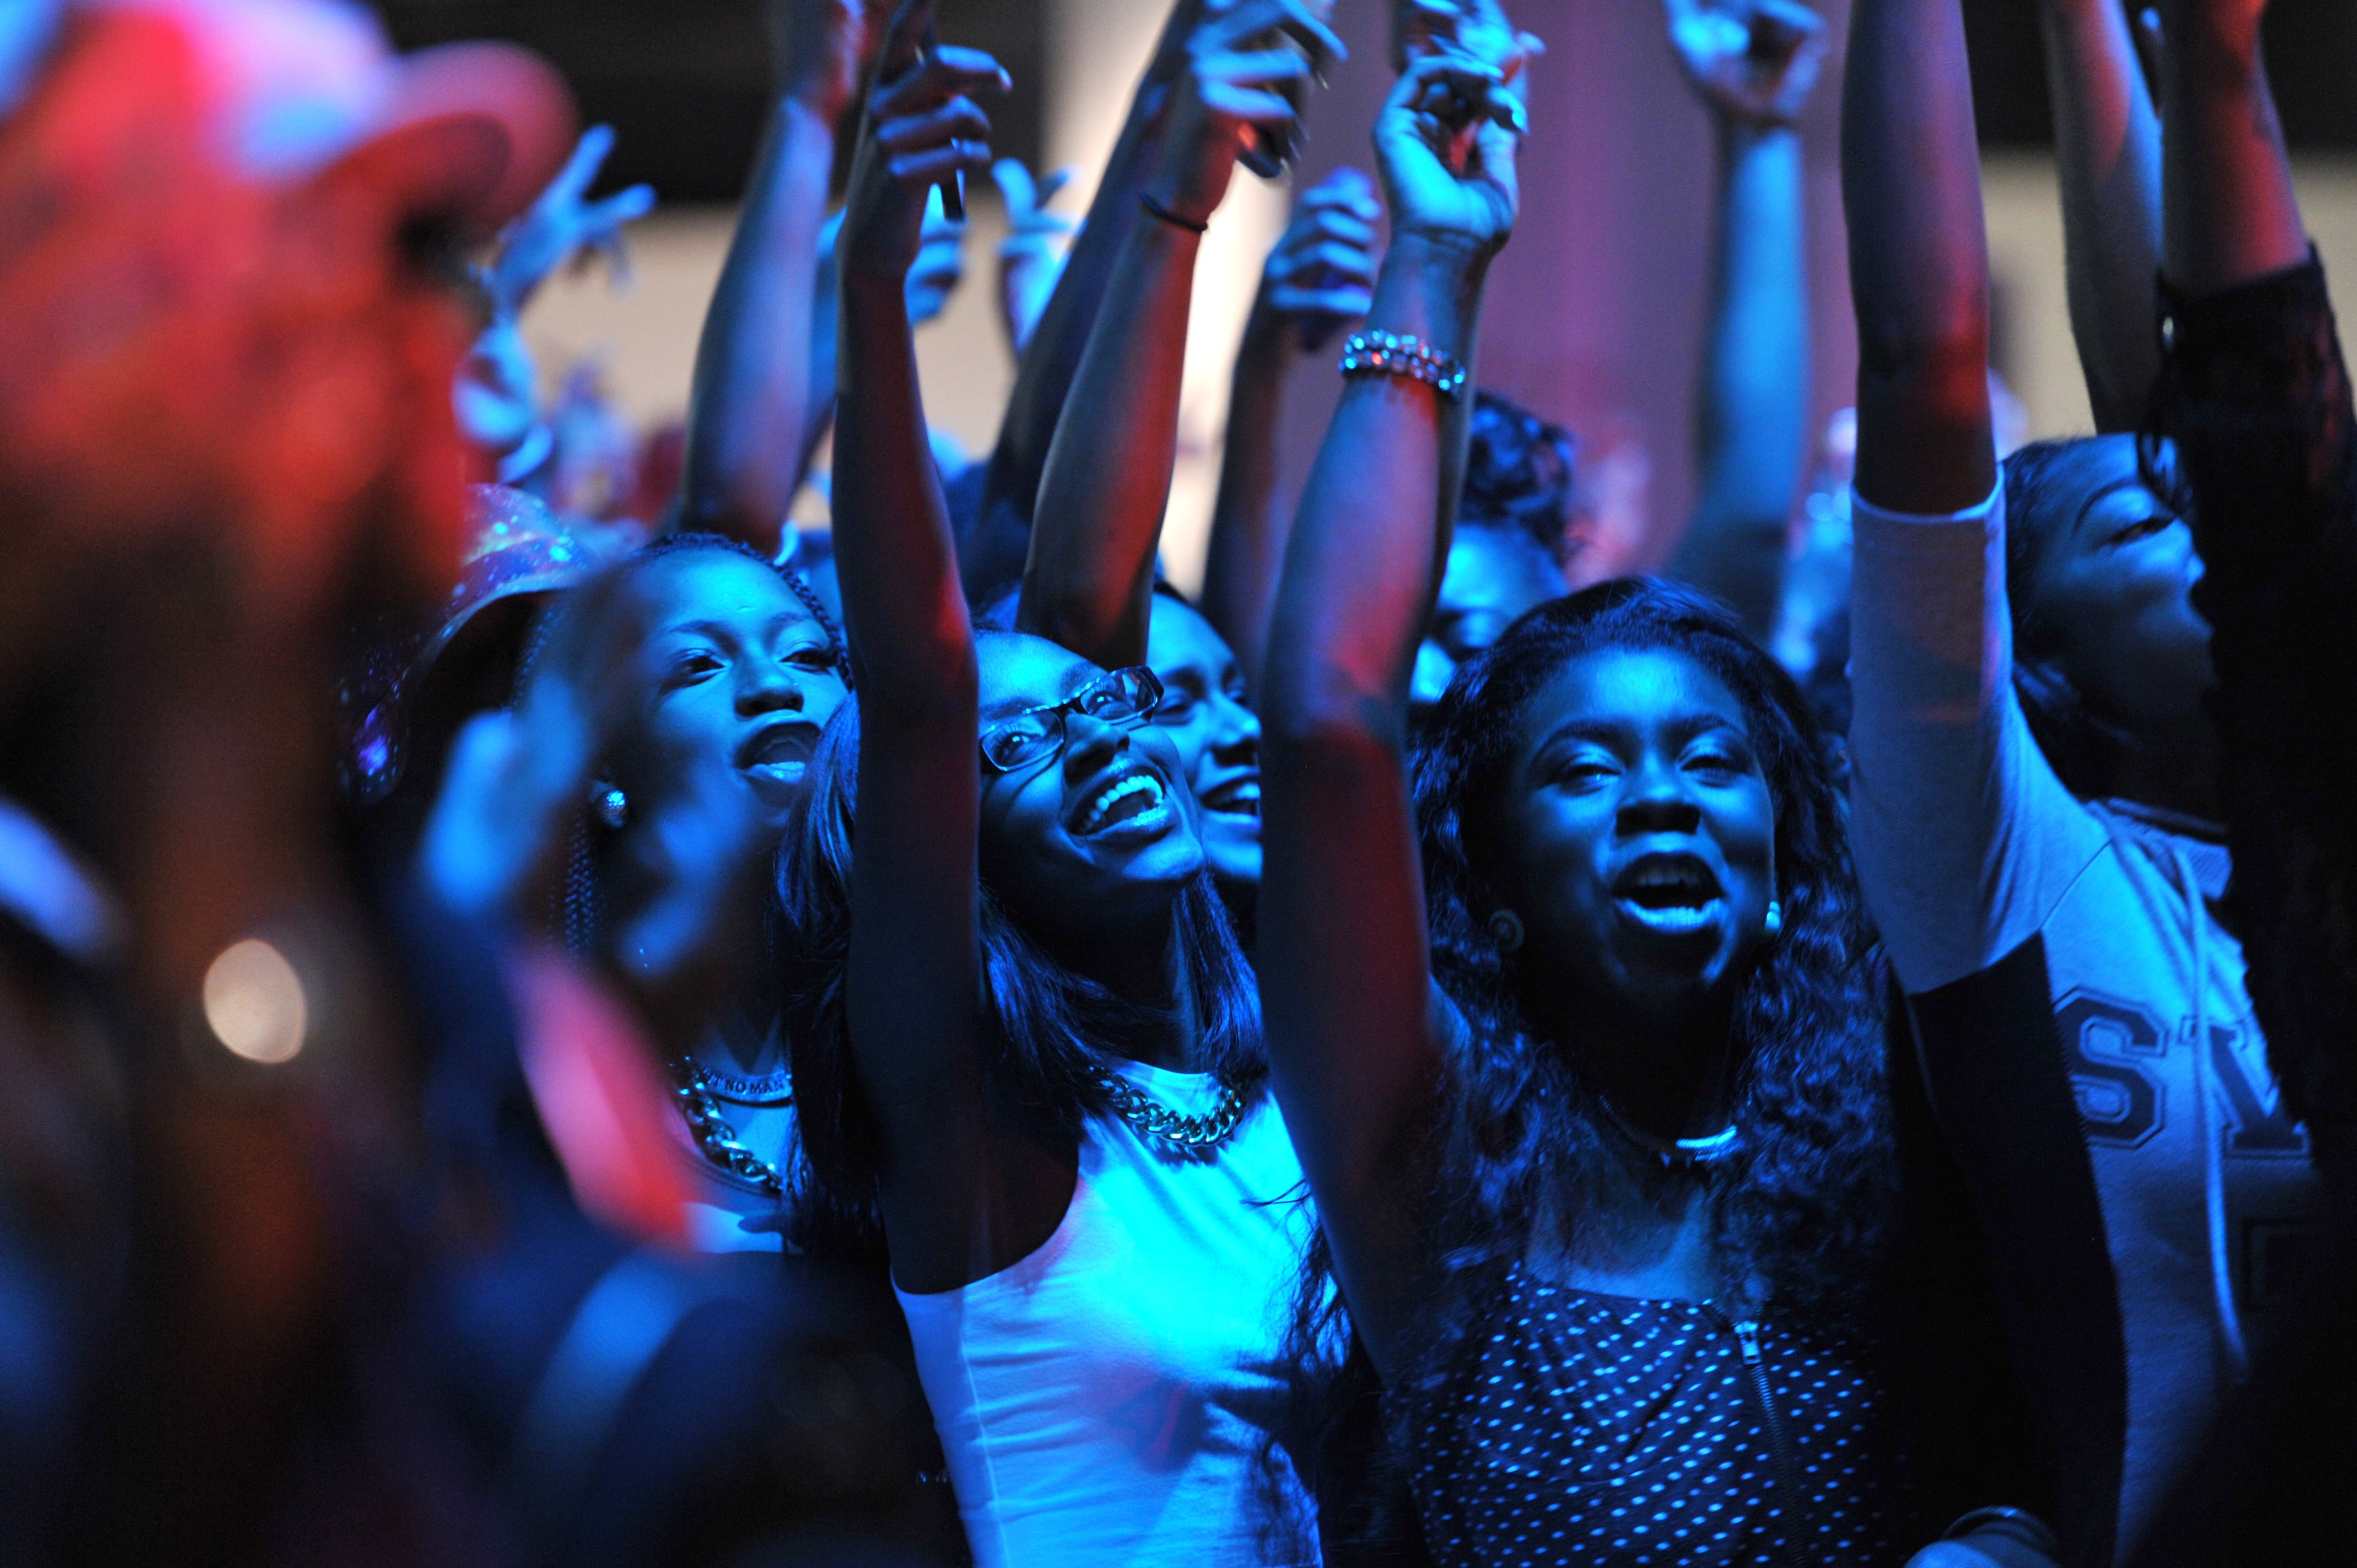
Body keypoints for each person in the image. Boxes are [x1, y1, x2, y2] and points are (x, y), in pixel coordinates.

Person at [1250, 14, 2042, 1566]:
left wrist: (2000, 1539)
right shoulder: (1433, 1144)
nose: (1661, 799)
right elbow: (1331, 720)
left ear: (1785, 831)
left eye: (1709, 760)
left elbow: (2020, 1454)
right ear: (1486, 859)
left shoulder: (1880, 1126)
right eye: (1583, 770)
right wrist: (1438, 255)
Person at [779, 4, 1331, 1560]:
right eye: (1018, 752)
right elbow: (922, 687)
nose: (1097, 737)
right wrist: (872, 288)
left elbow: (1090, 603)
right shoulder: (972, 1120)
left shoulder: (1282, 1077)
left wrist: (1182, 200)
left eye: (1111, 709)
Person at [1838, 0, 2327, 1560]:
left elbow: (2231, 420)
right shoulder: (2000, 860)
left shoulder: (2324, 840)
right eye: (2138, 526)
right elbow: (1927, 366)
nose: (2207, 532)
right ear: (2027, 645)